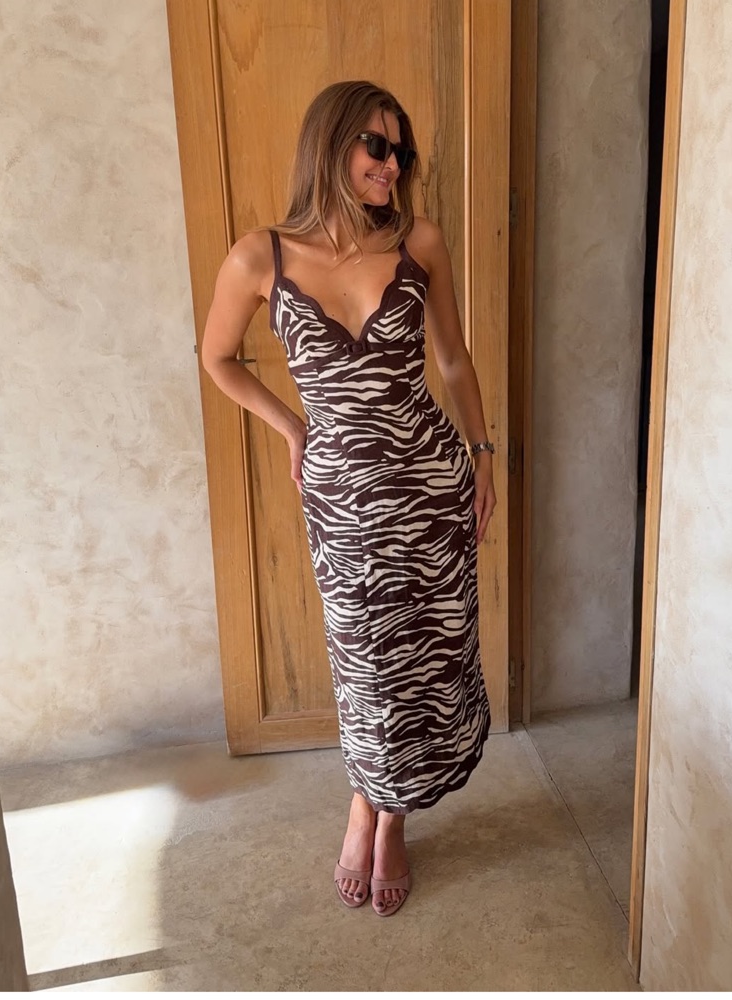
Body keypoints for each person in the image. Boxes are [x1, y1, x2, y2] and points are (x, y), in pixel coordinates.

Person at [202, 80, 496, 918]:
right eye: (376, 145)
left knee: (426, 658)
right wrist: (293, 428)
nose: (392, 164)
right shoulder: (258, 257)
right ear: (330, 143)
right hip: (343, 501)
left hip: (430, 484)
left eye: (401, 151)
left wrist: (482, 456)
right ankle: (365, 800)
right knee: (367, 665)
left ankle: (388, 818)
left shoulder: (418, 242)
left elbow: (452, 360)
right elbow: (217, 358)